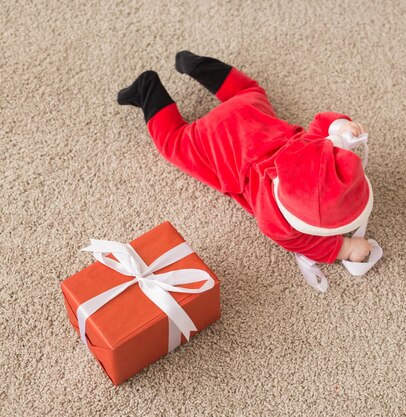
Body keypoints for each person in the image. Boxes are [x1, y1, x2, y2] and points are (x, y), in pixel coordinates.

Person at [117, 51, 374, 265]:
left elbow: (321, 123)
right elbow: (306, 243)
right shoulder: (276, 218)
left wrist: (340, 127)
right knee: (173, 142)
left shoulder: (312, 146)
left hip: (248, 111)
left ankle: (199, 66)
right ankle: (146, 89)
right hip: (213, 139)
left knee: (247, 90)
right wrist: (348, 248)